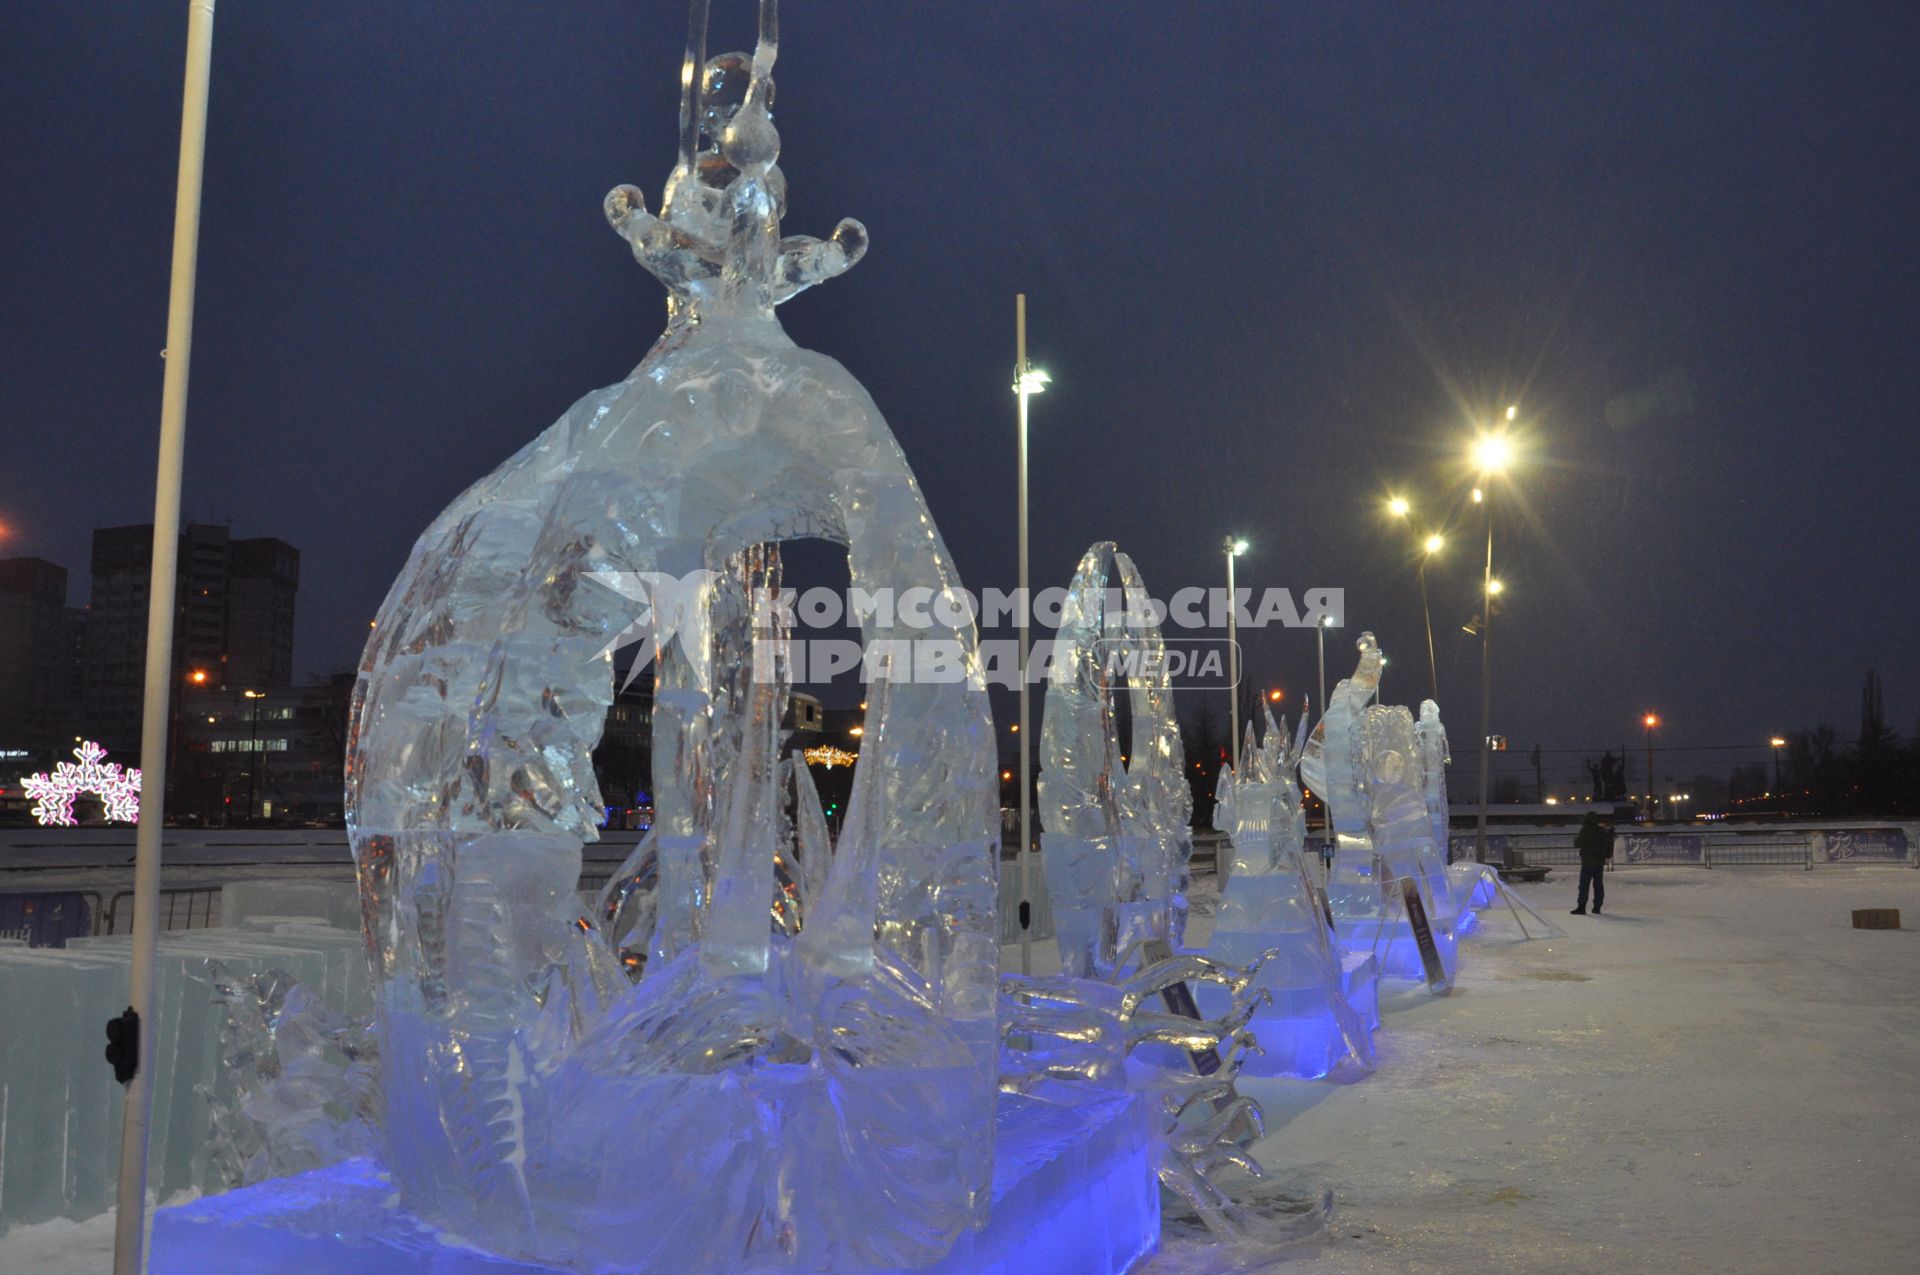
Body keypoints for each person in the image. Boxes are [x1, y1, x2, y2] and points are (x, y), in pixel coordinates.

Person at [1571, 811, 1613, 915]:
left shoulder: (1585, 830)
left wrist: (1575, 839)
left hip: (1588, 861)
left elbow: (1578, 844)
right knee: (1598, 884)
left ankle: (1581, 907)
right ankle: (1597, 907)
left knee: (1584, 885)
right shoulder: (1601, 830)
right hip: (1599, 861)